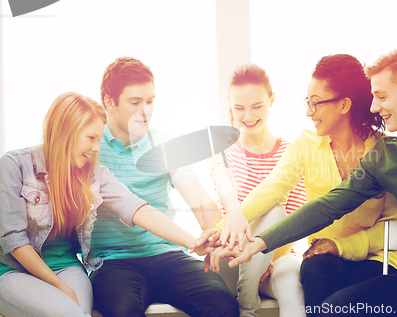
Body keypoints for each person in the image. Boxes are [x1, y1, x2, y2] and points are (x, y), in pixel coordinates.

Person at [208, 48, 397, 316]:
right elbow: (329, 205)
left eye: (382, 97)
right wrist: (260, 242)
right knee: (331, 310)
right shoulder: (389, 154)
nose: (374, 107)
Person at [199, 54, 397, 316]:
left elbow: (393, 223)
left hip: (377, 257)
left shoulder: (386, 151)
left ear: (344, 105)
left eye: (316, 103)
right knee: (316, 273)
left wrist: (342, 246)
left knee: (359, 289)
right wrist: (222, 231)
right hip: (323, 256)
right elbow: (271, 189)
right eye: (308, 102)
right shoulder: (307, 144)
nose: (309, 111)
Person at [0, 92, 215, 317]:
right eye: (91, 138)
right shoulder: (15, 165)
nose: (96, 148)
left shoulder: (93, 174)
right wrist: (61, 288)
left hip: (66, 266)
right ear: (66, 133)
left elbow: (138, 209)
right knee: (70, 313)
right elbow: (14, 242)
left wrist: (195, 243)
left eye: (99, 139)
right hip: (14, 270)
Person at [90, 57, 238, 317]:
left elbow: (199, 201)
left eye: (150, 101)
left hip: (167, 254)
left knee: (222, 304)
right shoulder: (90, 146)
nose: (145, 111)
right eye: (135, 103)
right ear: (109, 102)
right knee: (122, 311)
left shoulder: (165, 145)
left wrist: (215, 236)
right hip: (113, 261)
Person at [206, 63, 308, 317]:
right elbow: (228, 216)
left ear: (271, 100)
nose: (248, 116)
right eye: (239, 108)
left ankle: (247, 303)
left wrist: (268, 261)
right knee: (266, 209)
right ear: (230, 106)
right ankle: (247, 301)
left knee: (291, 285)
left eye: (256, 106)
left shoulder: (291, 152)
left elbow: (294, 220)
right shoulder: (221, 152)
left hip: (278, 257)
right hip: (233, 260)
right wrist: (250, 261)